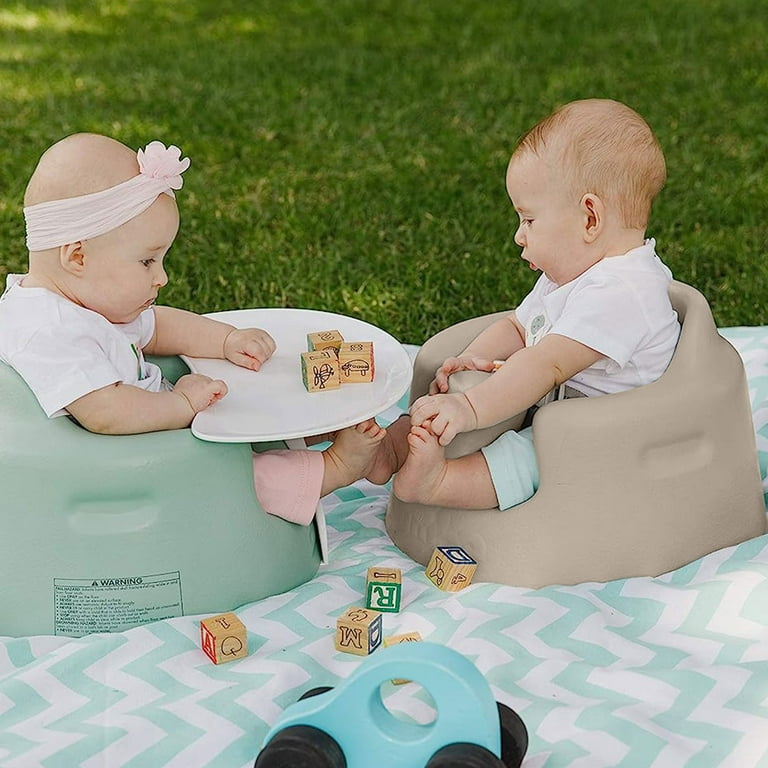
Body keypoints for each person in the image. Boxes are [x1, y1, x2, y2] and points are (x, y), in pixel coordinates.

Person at [0, 132, 385, 525]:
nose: (162, 277)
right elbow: (107, 413)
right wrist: (181, 405)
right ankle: (336, 468)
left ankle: (312, 434)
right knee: (235, 476)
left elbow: (157, 326)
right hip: (114, 466)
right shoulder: (50, 331)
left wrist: (225, 340)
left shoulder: (80, 301)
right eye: (148, 262)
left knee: (238, 407)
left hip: (144, 432)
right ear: (78, 256)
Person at [367, 98, 680, 511]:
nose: (519, 235)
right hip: (559, 406)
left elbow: (545, 363)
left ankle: (439, 483)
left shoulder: (624, 292)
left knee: (529, 456)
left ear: (590, 219)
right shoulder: (570, 275)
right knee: (476, 392)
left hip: (613, 434)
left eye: (528, 220)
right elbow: (518, 328)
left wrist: (468, 407)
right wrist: (469, 361)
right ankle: (391, 449)